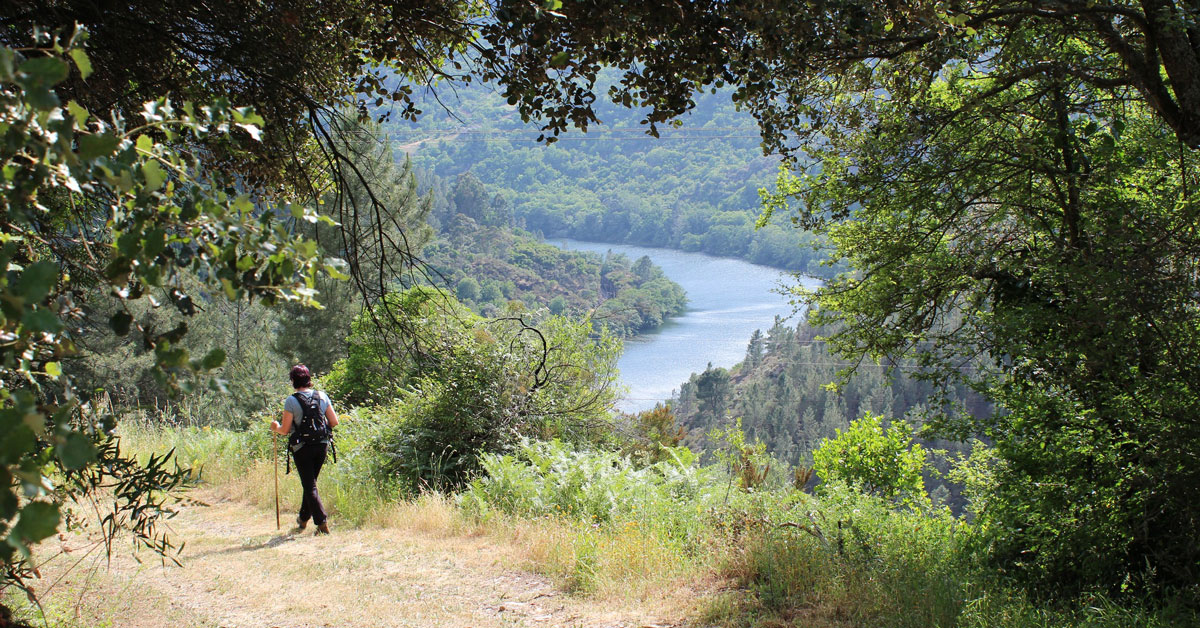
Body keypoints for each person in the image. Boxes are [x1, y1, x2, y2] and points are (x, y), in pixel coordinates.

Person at [270, 364, 338, 534]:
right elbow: (334, 421)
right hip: (322, 445)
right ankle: (303, 519)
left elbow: (285, 430)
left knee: (309, 485)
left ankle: (322, 523)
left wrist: (275, 427)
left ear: (293, 381)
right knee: (310, 484)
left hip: (302, 448)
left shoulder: (291, 401)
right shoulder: (322, 396)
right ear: (309, 379)